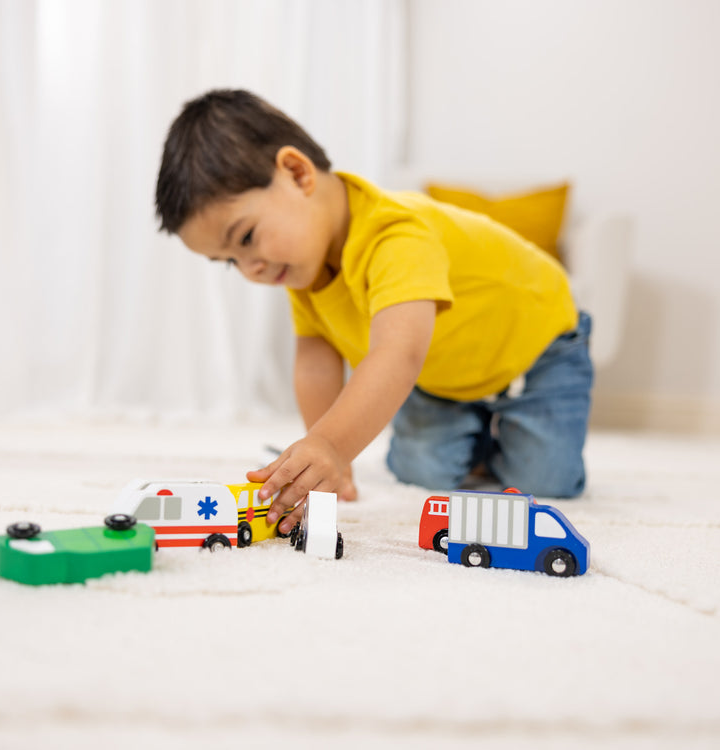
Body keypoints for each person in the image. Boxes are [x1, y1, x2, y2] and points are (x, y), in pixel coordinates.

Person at [155, 89, 594, 535]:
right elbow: (315, 362)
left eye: (246, 238)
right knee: (419, 472)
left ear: (296, 173)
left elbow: (398, 353)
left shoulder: (395, 234)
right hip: (441, 375)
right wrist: (325, 455)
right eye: (230, 261)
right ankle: (477, 430)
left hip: (538, 350)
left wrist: (332, 445)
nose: (251, 268)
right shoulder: (301, 267)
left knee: (547, 481)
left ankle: (498, 431)